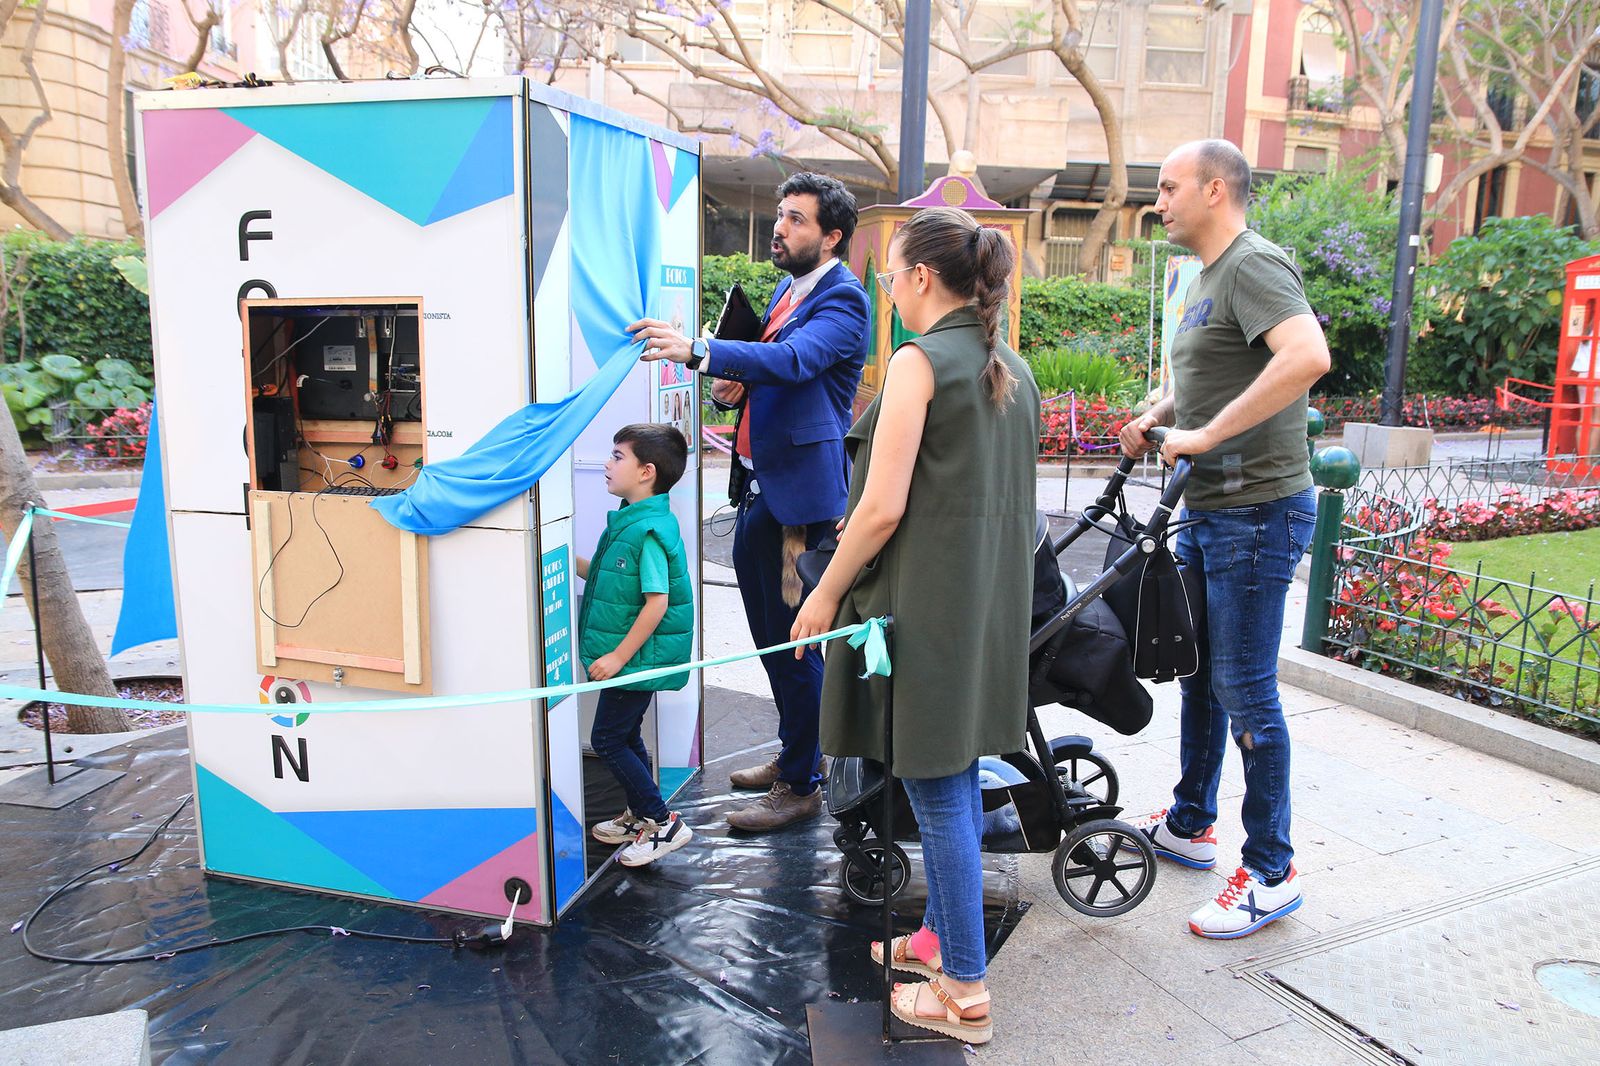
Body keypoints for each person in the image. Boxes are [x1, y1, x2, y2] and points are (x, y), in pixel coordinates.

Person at [792, 207, 1041, 1045]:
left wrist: (825, 594)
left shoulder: (917, 361)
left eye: (892, 274)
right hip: (982, 616)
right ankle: (939, 939)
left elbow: (880, 509)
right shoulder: (1010, 366)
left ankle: (964, 989)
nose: (888, 289)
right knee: (954, 783)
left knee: (938, 792)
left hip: (928, 614)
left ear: (923, 278)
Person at [1119, 139, 1331, 938]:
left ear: (1215, 189)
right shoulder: (1207, 276)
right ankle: (1190, 821)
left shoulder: (1253, 263)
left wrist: (1205, 437)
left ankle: (1272, 872)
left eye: (1168, 188)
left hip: (1257, 510)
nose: (1159, 203)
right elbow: (1206, 373)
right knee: (1201, 676)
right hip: (1213, 510)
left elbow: (1306, 356)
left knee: (1245, 689)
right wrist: (1157, 414)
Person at [633, 173, 870, 832]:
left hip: (798, 507)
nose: (779, 228)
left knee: (794, 648)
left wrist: (701, 350)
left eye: (796, 219)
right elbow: (770, 374)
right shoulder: (788, 290)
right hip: (761, 492)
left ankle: (802, 783)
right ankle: (797, 754)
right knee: (770, 643)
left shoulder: (844, 300)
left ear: (832, 236)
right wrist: (731, 385)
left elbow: (794, 361)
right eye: (780, 215)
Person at [576, 424, 695, 867]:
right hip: (635, 660)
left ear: (646, 472)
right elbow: (605, 578)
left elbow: (657, 602)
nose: (607, 464)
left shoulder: (646, 531)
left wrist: (618, 656)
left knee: (606, 738)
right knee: (625, 734)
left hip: (636, 660)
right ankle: (638, 815)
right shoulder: (632, 520)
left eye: (617, 456)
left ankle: (663, 823)